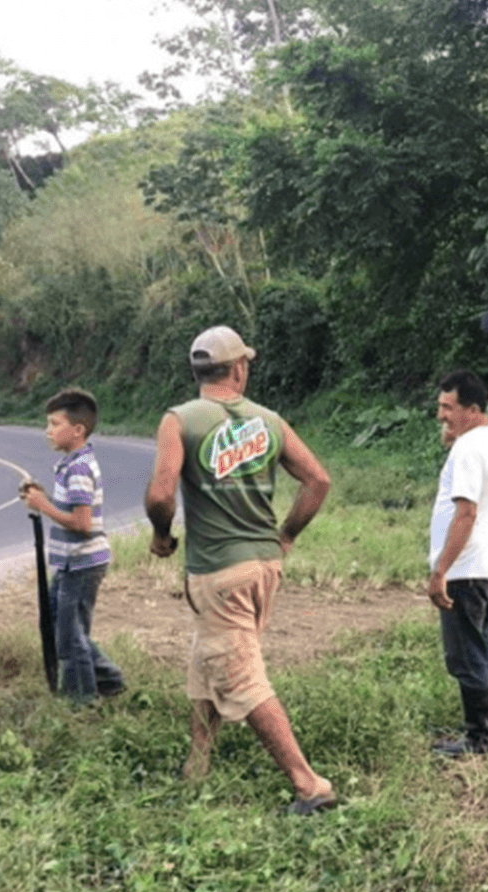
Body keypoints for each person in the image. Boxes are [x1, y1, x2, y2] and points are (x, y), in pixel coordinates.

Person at [144, 325, 338, 814]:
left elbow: (161, 494)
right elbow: (317, 480)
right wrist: (287, 534)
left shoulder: (180, 420)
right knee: (206, 659)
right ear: (239, 368)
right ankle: (198, 763)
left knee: (239, 676)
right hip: (262, 568)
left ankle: (309, 784)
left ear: (198, 373)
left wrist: (162, 535)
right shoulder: (270, 420)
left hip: (218, 573)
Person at [427, 369, 488, 756]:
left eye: (448, 407)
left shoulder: (467, 449)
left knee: (465, 656)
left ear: (473, 409)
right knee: (485, 645)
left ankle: (478, 739)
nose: (441, 416)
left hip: (463, 567)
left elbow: (466, 514)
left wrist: (441, 570)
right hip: (486, 562)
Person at [20, 387, 125, 703]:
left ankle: (82, 701)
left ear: (77, 430)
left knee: (69, 637)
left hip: (82, 562)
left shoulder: (78, 469)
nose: (48, 431)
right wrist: (45, 498)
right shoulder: (72, 463)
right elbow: (72, 512)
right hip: (71, 562)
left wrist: (42, 505)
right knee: (58, 624)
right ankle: (108, 679)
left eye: (54, 424)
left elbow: (81, 523)